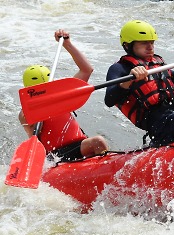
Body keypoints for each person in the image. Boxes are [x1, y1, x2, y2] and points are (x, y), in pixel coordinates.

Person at [19, 29, 108, 161]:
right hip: (55, 156)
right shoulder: (25, 114)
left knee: (97, 142)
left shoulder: (61, 97)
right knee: (98, 141)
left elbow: (86, 70)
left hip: (79, 146)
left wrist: (67, 44)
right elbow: (32, 128)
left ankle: (106, 169)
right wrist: (41, 108)